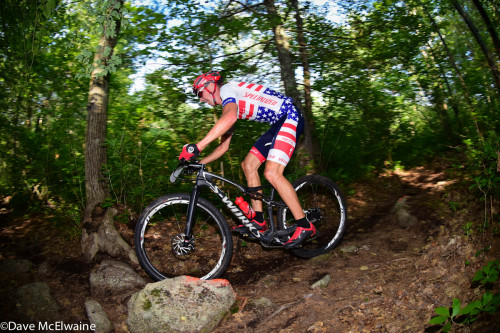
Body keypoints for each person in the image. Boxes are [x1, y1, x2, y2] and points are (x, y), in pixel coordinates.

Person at [178, 70, 315, 248]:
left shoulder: (227, 90)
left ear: (211, 86)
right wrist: (199, 163)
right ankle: (259, 220)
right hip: (279, 123)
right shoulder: (230, 105)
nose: (200, 99)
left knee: (272, 173)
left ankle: (305, 225)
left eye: (200, 93)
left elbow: (230, 117)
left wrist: (198, 146)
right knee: (248, 164)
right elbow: (223, 146)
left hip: (290, 116)